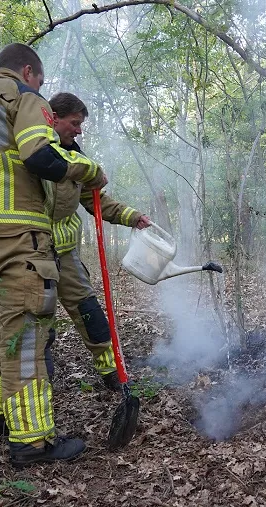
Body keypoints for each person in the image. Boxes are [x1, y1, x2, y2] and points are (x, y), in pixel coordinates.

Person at [0, 43, 106, 467]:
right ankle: (32, 441)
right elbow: (40, 156)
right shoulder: (23, 98)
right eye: (40, 82)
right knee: (28, 340)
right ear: (28, 72)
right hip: (21, 244)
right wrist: (87, 170)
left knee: (1, 335)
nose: (41, 90)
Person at [44, 92, 150, 391]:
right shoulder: (32, 156)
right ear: (53, 119)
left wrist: (133, 217)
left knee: (89, 312)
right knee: (38, 325)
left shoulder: (77, 160)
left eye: (81, 125)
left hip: (66, 254)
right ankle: (36, 386)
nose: (79, 131)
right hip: (32, 254)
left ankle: (112, 373)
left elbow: (96, 200)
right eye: (74, 123)